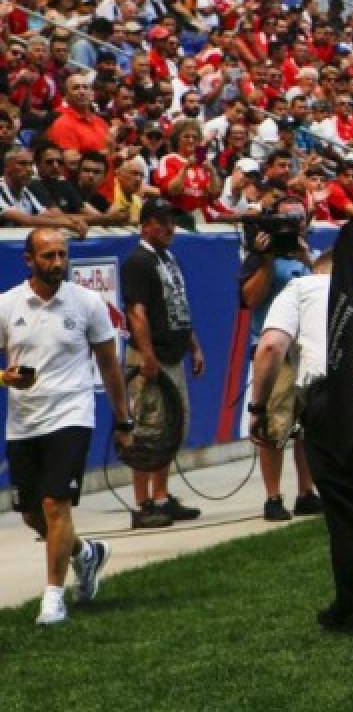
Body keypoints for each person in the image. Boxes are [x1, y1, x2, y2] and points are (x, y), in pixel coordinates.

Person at [249, 249, 353, 637]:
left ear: (316, 270)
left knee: (350, 506)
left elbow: (271, 347)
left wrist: (259, 409)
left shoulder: (299, 287)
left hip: (344, 394)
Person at [1, 230, 134, 625]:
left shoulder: (88, 303)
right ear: (29, 260)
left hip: (71, 414)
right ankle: (85, 554)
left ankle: (53, 596)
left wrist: (123, 420)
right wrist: (6, 378)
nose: (58, 263)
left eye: (62, 254)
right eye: (48, 256)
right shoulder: (8, 305)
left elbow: (111, 365)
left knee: (54, 504)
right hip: (23, 421)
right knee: (32, 514)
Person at [120, 198, 205, 529]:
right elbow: (136, 313)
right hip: (150, 358)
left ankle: (162, 497)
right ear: (145, 225)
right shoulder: (138, 262)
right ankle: (142, 504)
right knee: (147, 431)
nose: (169, 228)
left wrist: (194, 346)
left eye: (171, 221)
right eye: (161, 221)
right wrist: (147, 355)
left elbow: (178, 306)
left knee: (172, 428)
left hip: (174, 354)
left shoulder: (168, 258)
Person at [238, 194, 321, 521]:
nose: (293, 226)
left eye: (298, 219)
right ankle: (273, 496)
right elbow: (248, 299)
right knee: (274, 426)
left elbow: (321, 292)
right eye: (285, 221)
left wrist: (307, 260)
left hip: (306, 349)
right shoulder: (258, 257)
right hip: (275, 350)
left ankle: (306, 490)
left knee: (307, 426)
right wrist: (267, 259)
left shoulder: (305, 256)